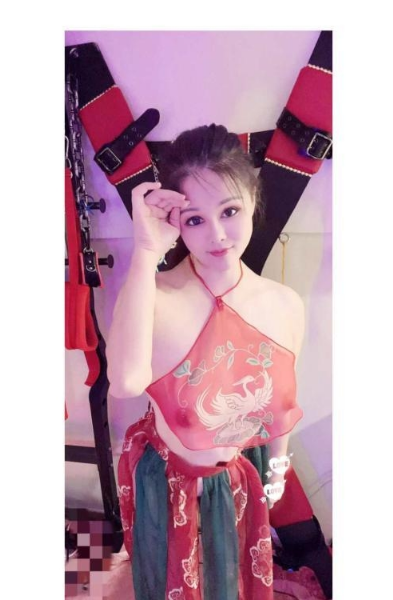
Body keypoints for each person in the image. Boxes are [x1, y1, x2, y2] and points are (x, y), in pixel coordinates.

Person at [106, 124, 305, 600]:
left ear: (253, 199)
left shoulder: (284, 304)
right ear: (176, 222)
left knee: (230, 584)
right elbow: (126, 381)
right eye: (194, 219)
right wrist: (146, 252)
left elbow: (282, 406)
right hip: (166, 480)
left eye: (229, 211)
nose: (217, 236)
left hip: (238, 478)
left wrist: (277, 470)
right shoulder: (156, 296)